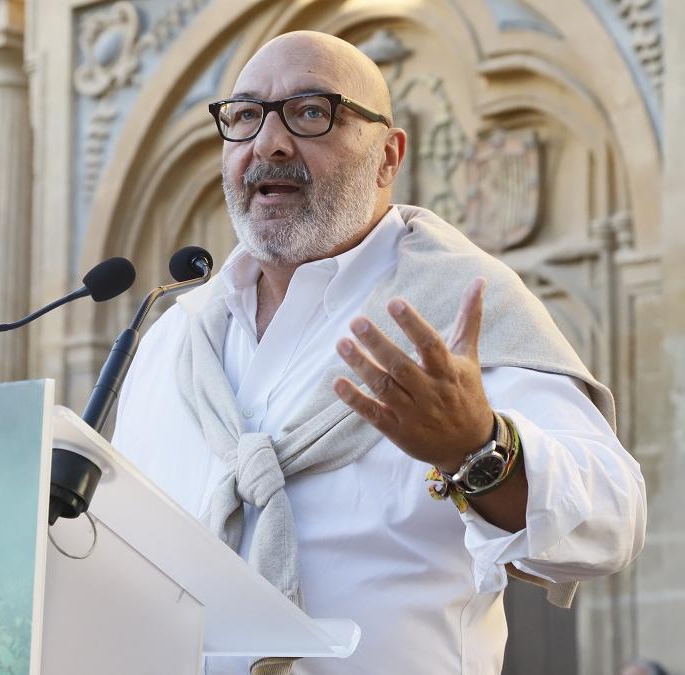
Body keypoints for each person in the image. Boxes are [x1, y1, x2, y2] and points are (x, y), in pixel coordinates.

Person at [111, 30, 647, 675]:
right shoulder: (175, 338)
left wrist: (478, 450)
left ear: (388, 158)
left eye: (311, 113)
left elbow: (612, 524)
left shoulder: (456, 306)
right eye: (246, 115)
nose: (269, 143)